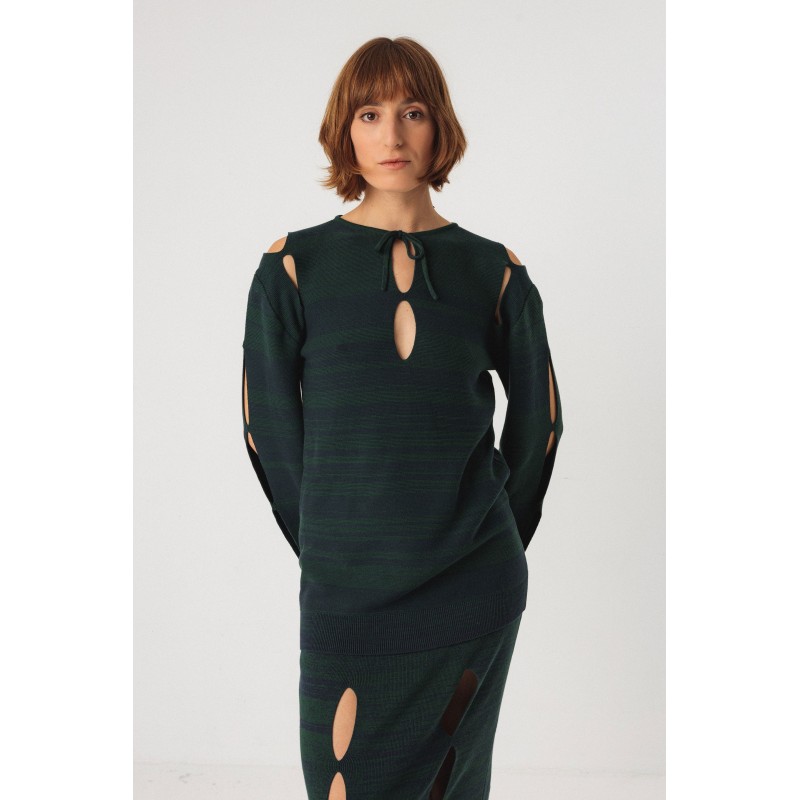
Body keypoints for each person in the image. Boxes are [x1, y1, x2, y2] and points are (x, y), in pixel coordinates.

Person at [241, 36, 564, 800]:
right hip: (346, 592)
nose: (392, 134)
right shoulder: (293, 268)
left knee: (453, 786)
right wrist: (332, 550)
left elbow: (541, 423)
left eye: (412, 112)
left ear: (438, 124)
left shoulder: (496, 271)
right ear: (345, 130)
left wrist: (493, 538)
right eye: (370, 114)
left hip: (471, 587)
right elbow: (268, 433)